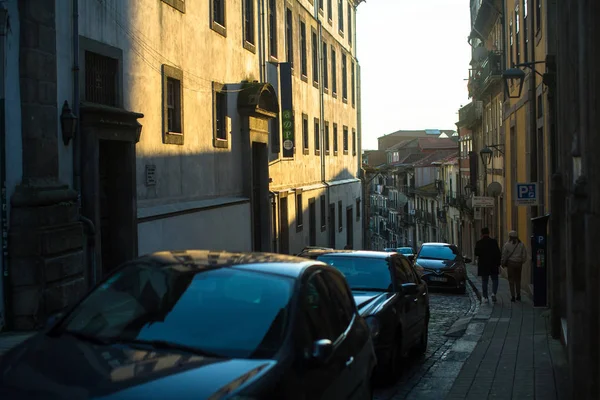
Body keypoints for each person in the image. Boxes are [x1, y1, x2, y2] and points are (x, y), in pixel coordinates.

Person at [474, 227, 501, 303]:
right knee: (495, 279)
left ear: (481, 234)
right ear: (489, 233)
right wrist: (498, 263)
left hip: (483, 264)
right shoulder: (494, 242)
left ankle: (485, 297)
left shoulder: (479, 242)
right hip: (493, 264)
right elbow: (498, 253)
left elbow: (476, 253)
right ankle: (493, 293)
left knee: (484, 281)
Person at [501, 230, 528, 302]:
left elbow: (504, 255)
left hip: (511, 264)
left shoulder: (507, 245)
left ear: (510, 237)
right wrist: (522, 261)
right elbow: (524, 255)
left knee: (511, 280)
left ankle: (513, 296)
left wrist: (503, 263)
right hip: (519, 264)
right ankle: (518, 295)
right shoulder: (521, 244)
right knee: (518, 279)